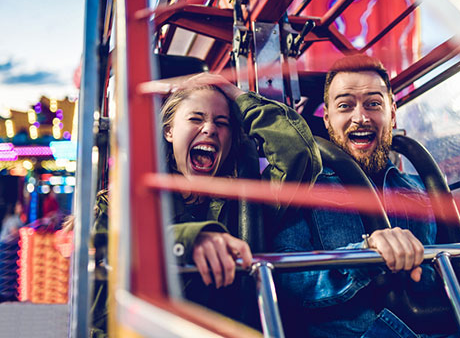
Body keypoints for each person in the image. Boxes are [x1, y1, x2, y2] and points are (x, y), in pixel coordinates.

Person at [273, 54, 460, 338]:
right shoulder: (301, 190)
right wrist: (362, 256)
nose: (360, 117)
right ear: (327, 118)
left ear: (392, 113)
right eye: (345, 105)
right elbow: (288, 283)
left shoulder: (422, 188)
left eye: (373, 104)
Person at [89, 72, 321, 335]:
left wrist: (233, 92)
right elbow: (100, 294)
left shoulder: (247, 204)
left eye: (221, 123)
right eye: (195, 119)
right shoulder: (124, 202)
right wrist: (189, 241)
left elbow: (298, 153)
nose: (210, 129)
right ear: (169, 131)